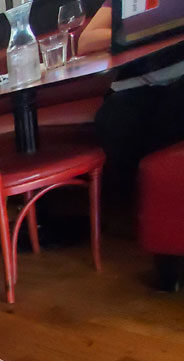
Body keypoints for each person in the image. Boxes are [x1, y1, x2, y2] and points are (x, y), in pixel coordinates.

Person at [79, 2, 184, 207]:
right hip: (135, 85)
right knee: (112, 117)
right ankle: (130, 208)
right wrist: (134, 34)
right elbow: (85, 40)